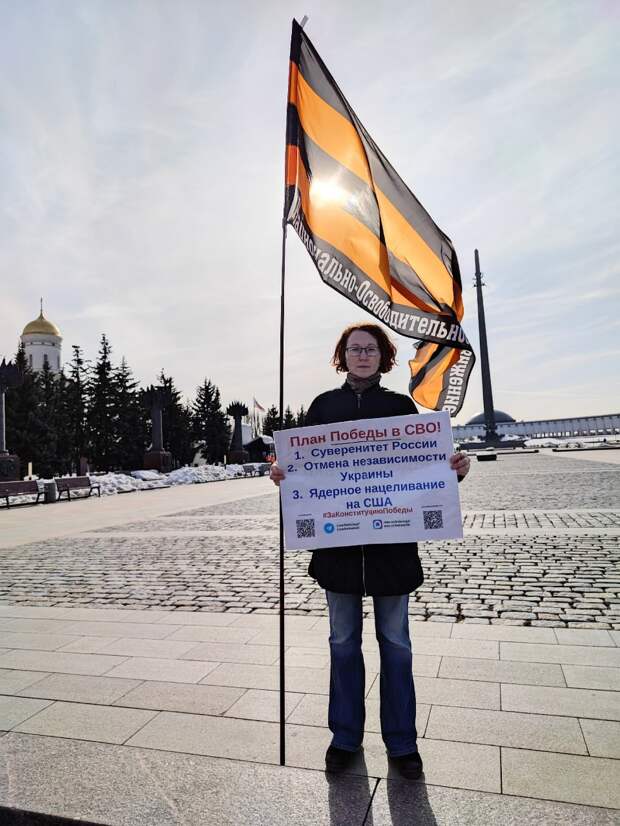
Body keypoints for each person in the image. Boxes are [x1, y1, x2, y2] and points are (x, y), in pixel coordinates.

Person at [270, 322, 470, 780]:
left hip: (391, 550)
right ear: (342, 356)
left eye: (371, 349)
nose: (362, 355)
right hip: (338, 551)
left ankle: (402, 743)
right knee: (343, 644)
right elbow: (305, 471)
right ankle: (344, 738)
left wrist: (452, 470)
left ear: (384, 357)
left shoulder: (400, 407)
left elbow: (422, 469)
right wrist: (283, 474)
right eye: (355, 348)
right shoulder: (323, 406)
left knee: (396, 645)